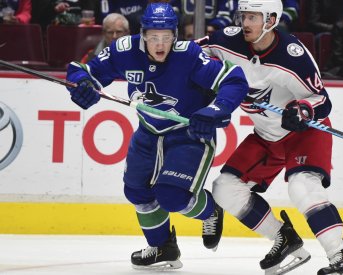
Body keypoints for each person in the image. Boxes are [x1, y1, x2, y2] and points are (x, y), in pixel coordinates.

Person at [64, 1, 248, 270]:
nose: (160, 44)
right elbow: (83, 70)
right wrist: (82, 84)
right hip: (148, 132)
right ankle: (163, 247)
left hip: (188, 133)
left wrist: (214, 110)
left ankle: (211, 211)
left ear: (175, 36)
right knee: (136, 191)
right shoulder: (124, 50)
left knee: (172, 197)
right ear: (143, 35)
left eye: (166, 38)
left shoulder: (189, 55)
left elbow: (233, 79)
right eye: (153, 38)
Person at [199, 0, 343, 274]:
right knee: (225, 189)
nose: (244, 23)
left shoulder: (293, 56)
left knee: (302, 188)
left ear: (271, 21)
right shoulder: (225, 40)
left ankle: (341, 257)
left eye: (252, 17)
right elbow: (188, 54)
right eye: (243, 16)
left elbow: (322, 101)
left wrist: (302, 109)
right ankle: (283, 238)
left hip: (305, 133)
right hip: (266, 136)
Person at [170, 0, 235, 37]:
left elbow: (225, 16)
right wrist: (185, 23)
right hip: (182, 33)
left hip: (211, 35)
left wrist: (212, 26)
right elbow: (172, 11)